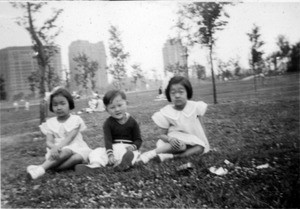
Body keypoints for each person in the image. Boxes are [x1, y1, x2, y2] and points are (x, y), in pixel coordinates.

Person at [138, 76, 210, 163]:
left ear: (188, 92)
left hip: (193, 141)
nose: (177, 95)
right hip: (174, 142)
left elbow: (202, 127)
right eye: (173, 93)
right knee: (181, 145)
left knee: (200, 148)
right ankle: (151, 154)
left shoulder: (195, 107)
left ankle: (171, 157)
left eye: (181, 92)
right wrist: (170, 139)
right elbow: (162, 135)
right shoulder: (167, 112)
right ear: (169, 95)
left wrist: (205, 142)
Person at [26, 88, 92, 179]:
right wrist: (53, 147)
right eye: (55, 105)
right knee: (65, 152)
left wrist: (58, 147)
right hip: (57, 152)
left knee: (76, 157)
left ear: (69, 104)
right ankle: (41, 169)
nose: (59, 107)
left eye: (62, 103)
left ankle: (43, 167)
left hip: (76, 147)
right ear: (51, 107)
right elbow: (49, 141)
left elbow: (70, 138)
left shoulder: (76, 120)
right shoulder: (50, 122)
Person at [75, 90, 142, 174]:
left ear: (126, 103)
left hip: (127, 148)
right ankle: (95, 166)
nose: (117, 109)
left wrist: (133, 147)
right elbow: (108, 140)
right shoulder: (108, 123)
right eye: (112, 107)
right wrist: (110, 154)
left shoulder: (132, 122)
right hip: (113, 148)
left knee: (131, 154)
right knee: (96, 152)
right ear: (107, 109)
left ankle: (123, 163)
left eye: (120, 105)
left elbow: (138, 139)